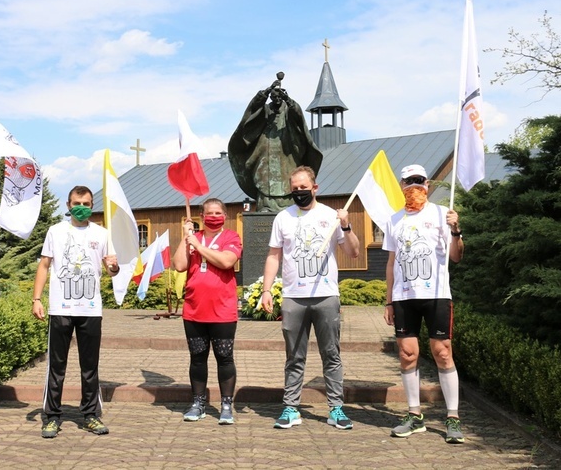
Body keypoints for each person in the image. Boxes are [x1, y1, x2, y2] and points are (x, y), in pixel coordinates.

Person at [261, 166, 360, 430]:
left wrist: (347, 226)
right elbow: (274, 255)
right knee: (294, 354)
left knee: (331, 353)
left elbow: (354, 252)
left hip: (326, 295)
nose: (299, 193)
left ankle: (336, 408)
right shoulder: (283, 218)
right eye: (294, 190)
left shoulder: (331, 216)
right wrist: (267, 289)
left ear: (315, 188)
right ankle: (291, 408)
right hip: (294, 296)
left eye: (303, 189)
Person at [383, 164, 465, 444]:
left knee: (442, 352)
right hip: (405, 296)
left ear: (427, 184)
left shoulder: (444, 215)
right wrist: (388, 300)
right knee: (407, 354)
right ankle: (415, 415)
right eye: (409, 182)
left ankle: (452, 417)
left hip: (437, 294)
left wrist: (456, 231)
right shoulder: (393, 220)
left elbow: (456, 257)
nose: (414, 186)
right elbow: (392, 263)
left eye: (419, 181)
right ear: (402, 185)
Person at [31, 185, 119, 438]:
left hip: (90, 309)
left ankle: (90, 415)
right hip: (61, 308)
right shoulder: (56, 231)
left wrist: (114, 267)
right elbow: (44, 265)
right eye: (77, 203)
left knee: (89, 365)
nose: (82, 207)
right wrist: (37, 299)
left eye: (87, 203)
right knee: (56, 365)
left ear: (93, 206)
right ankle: (52, 416)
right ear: (68, 205)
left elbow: (111, 267)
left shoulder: (102, 234)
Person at [172, 198, 243, 424]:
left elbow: (226, 261)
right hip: (194, 309)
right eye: (209, 213)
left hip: (222, 309)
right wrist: (187, 239)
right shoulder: (193, 237)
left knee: (224, 357)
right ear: (202, 216)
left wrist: (199, 247)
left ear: (224, 215)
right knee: (197, 358)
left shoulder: (231, 237)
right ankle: (198, 402)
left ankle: (226, 404)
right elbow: (179, 265)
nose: (213, 216)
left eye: (217, 213)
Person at [228, 73, 323, 212]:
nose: (277, 99)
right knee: (265, 184)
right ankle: (266, 205)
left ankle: (289, 205)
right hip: (265, 159)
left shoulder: (289, 110)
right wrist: (264, 94)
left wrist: (288, 99)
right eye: (274, 96)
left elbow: (298, 116)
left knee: (290, 182)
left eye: (279, 96)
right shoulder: (265, 111)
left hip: (287, 156)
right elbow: (252, 112)